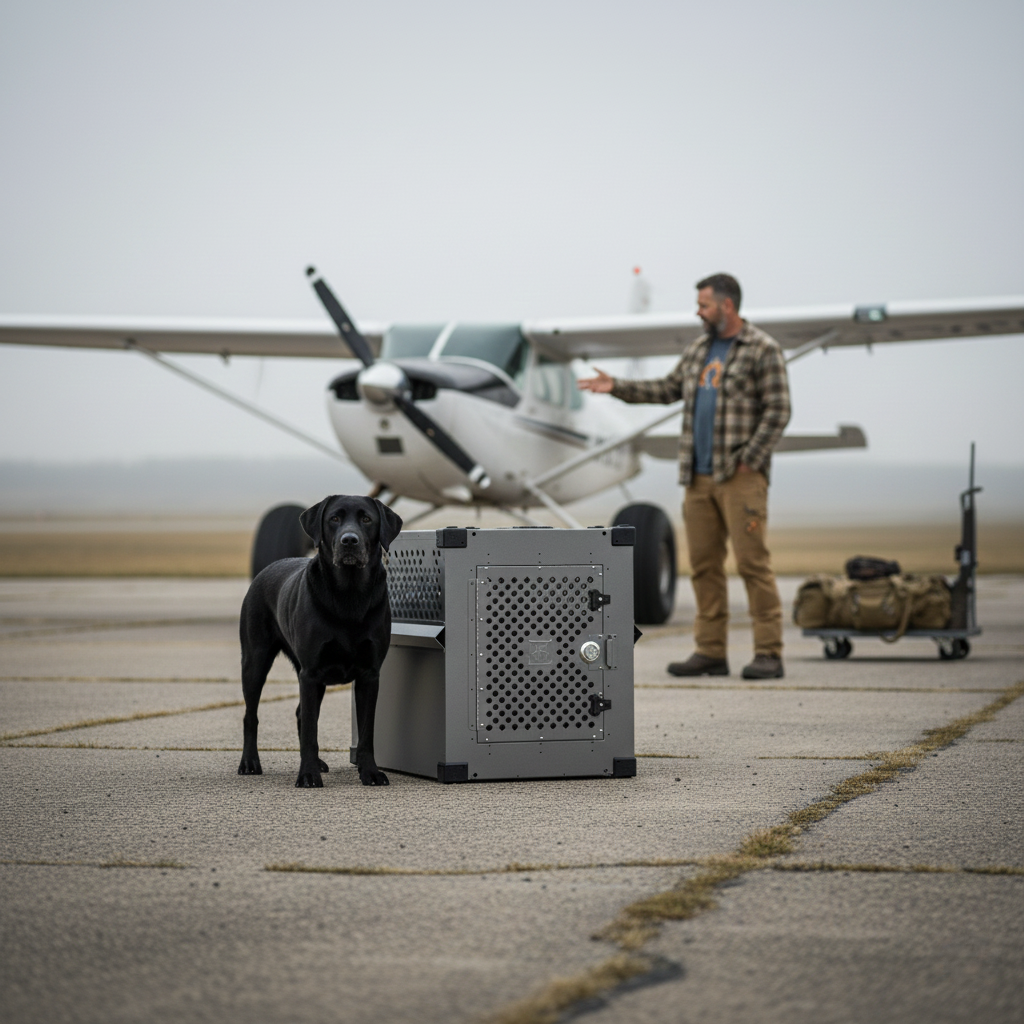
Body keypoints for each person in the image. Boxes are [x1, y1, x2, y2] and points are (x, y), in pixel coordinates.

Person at [578, 273, 791, 679]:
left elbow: (779, 410)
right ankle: (710, 651)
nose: (698, 311)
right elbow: (666, 388)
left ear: (727, 305)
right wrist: (616, 386)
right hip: (697, 477)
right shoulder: (698, 350)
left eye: (704, 304)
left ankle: (769, 652)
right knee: (704, 567)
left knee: (752, 564)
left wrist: (750, 458)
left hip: (740, 477)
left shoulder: (763, 349)